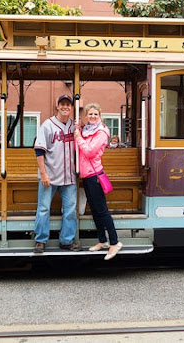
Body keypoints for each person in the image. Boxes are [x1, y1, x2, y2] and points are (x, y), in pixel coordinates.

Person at [74, 102, 123, 260]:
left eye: (95, 114)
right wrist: (78, 131)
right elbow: (79, 148)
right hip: (87, 176)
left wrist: (79, 137)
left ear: (100, 116)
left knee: (102, 210)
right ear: (86, 116)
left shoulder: (101, 132)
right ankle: (102, 240)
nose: (93, 116)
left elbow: (88, 152)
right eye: (90, 114)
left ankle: (114, 242)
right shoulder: (87, 130)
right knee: (95, 210)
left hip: (95, 175)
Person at [33, 94, 80, 253]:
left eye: (68, 104)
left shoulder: (75, 126)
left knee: (70, 210)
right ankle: (40, 240)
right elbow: (39, 150)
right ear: (57, 106)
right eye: (63, 104)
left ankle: (66, 241)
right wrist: (43, 173)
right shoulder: (47, 125)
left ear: (72, 107)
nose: (65, 107)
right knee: (44, 208)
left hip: (69, 177)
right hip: (50, 176)